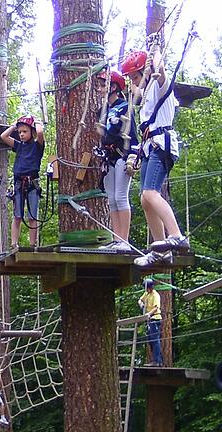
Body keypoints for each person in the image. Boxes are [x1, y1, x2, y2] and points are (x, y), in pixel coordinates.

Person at [120, 50, 189, 266]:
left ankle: (176, 235)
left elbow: (161, 70)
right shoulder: (148, 93)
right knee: (145, 199)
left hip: (161, 144)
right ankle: (161, 250)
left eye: (136, 78)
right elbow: (137, 91)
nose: (134, 84)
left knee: (150, 193)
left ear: (147, 72)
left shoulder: (160, 86)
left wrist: (156, 51)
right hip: (150, 147)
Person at [95, 70, 139, 252]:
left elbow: (133, 134)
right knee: (112, 199)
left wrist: (133, 156)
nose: (99, 88)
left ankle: (124, 241)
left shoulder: (124, 107)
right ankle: (116, 239)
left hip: (122, 154)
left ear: (113, 87)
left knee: (121, 197)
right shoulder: (103, 110)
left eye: (103, 84)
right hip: (109, 157)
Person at [0, 116, 45, 248]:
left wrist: (36, 121)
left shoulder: (37, 146)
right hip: (19, 184)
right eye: (20, 132)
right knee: (17, 215)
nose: (21, 134)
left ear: (32, 132)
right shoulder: (19, 146)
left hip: (32, 183)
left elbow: (41, 133)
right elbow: (3, 136)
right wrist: (14, 125)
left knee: (32, 217)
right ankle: (14, 244)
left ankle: (32, 244)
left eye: (25, 131)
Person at [138, 278, 163, 367]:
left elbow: (156, 308)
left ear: (151, 287)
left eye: (148, 288)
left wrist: (148, 314)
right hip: (149, 320)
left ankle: (157, 361)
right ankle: (157, 360)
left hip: (155, 318)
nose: (147, 290)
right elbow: (140, 300)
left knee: (155, 340)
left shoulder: (155, 295)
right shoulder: (146, 294)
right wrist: (141, 303)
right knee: (151, 340)